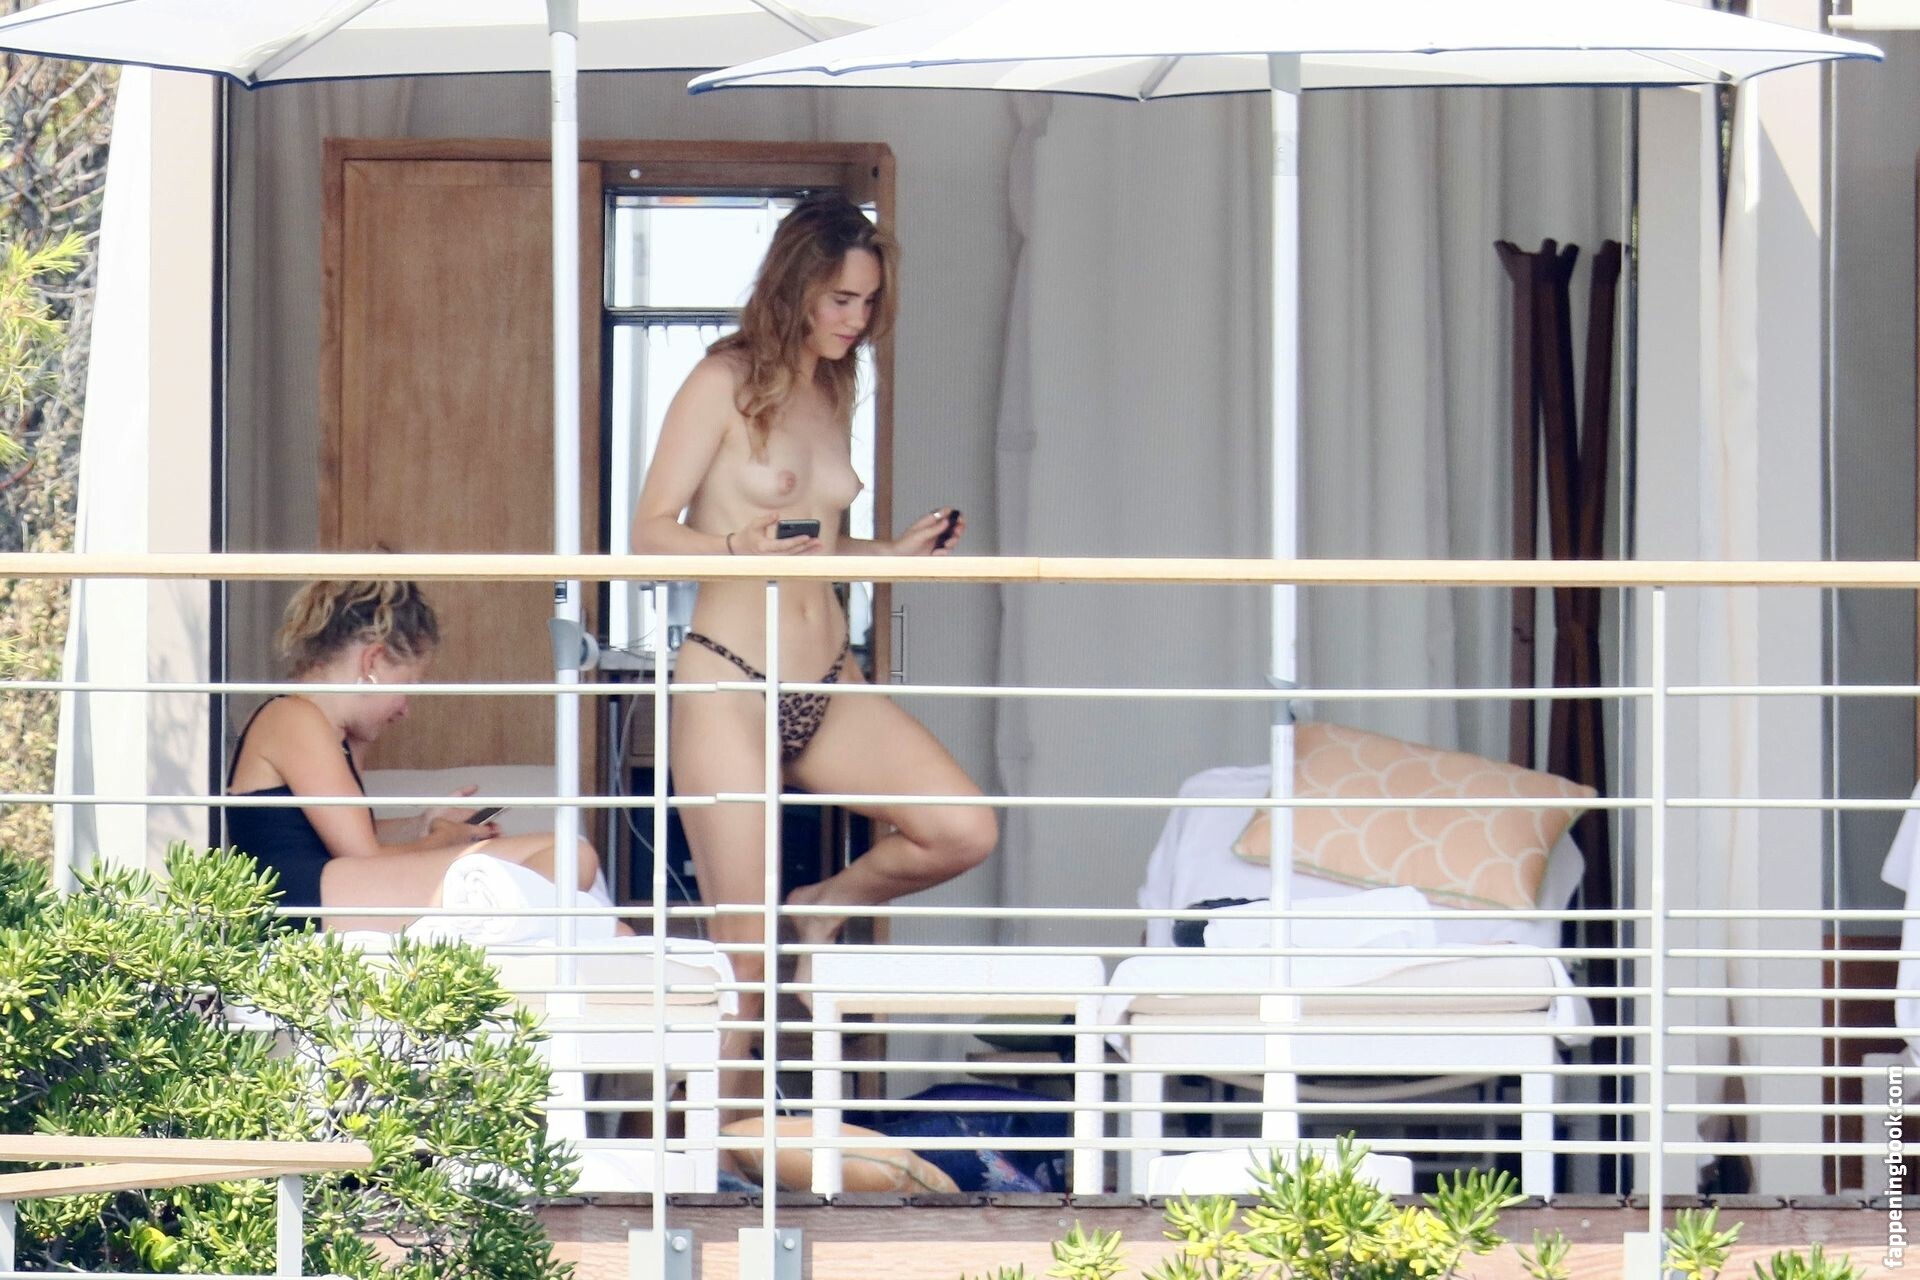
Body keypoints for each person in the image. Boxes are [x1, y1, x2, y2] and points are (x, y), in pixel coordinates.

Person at [630, 194, 997, 1089]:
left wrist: (891, 554)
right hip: (730, 682)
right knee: (744, 965)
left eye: (868, 302)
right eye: (840, 300)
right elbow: (646, 532)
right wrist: (731, 548)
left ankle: (826, 902)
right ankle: (684, 1151)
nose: (856, 320)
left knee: (962, 828)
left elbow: (819, 544)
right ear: (795, 288)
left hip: (830, 679)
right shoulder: (722, 382)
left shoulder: (833, 388)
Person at [224, 579, 608, 932]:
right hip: (299, 903)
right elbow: (365, 855)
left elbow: (351, 832)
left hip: (329, 893)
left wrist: (422, 824)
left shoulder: (329, 729)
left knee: (581, 879)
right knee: (569, 856)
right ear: (372, 663)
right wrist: (444, 839)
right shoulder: (293, 718)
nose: (405, 709)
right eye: (407, 685)